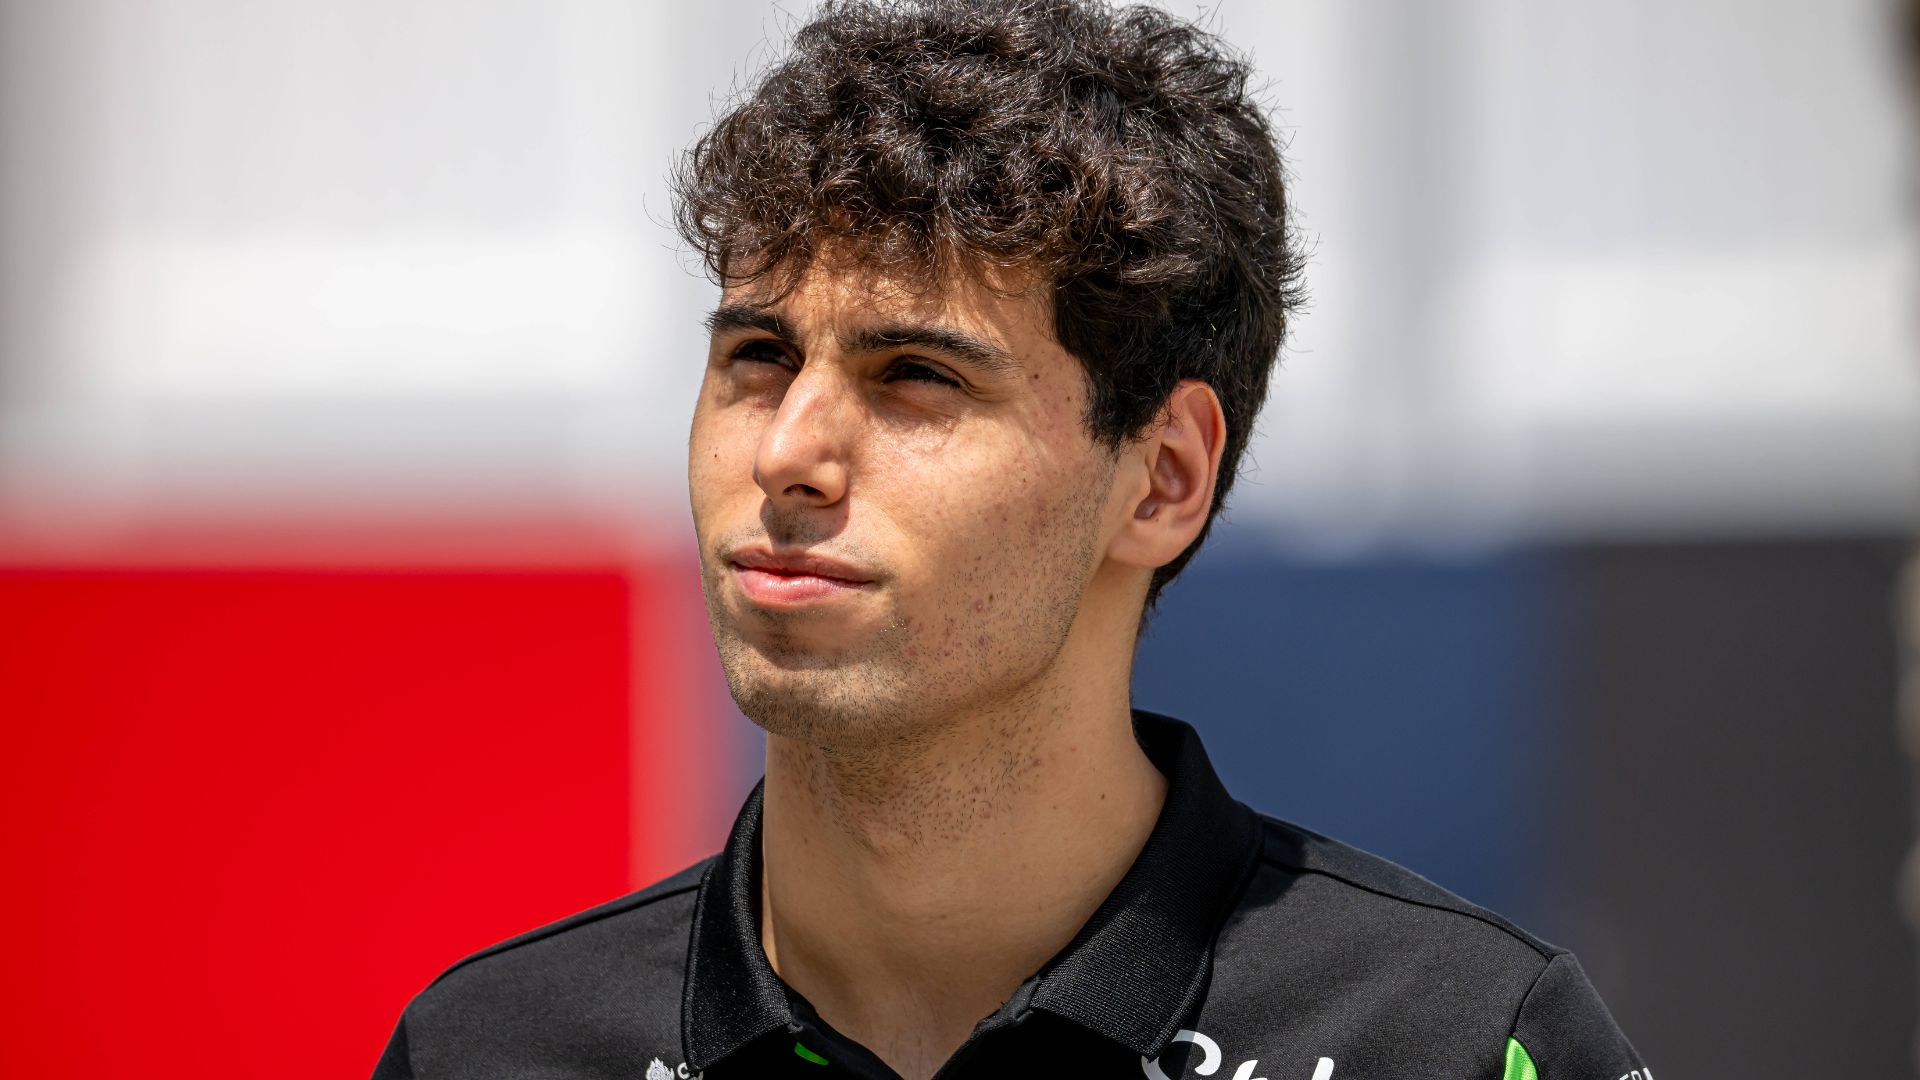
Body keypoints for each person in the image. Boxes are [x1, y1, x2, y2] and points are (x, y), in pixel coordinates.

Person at [372, 2, 1650, 1077]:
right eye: (757, 357)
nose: (785, 455)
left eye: (916, 375)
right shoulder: (486, 1047)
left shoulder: (1457, 1044)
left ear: (1162, 478)